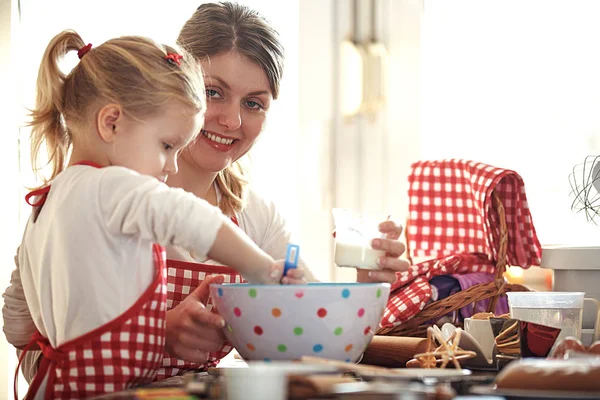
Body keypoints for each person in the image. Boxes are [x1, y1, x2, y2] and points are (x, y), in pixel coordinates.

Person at [3, 1, 410, 385]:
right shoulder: (110, 198)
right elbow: (30, 347)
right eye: (213, 92)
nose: (232, 120)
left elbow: (318, 347)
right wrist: (157, 336)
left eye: (254, 103)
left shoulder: (256, 218)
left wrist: (364, 285)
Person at [7, 29, 303, 399]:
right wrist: (261, 268)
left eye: (253, 103)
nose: (170, 166)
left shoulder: (44, 203)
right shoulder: (112, 187)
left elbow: (17, 323)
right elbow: (189, 218)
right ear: (111, 123)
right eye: (166, 146)